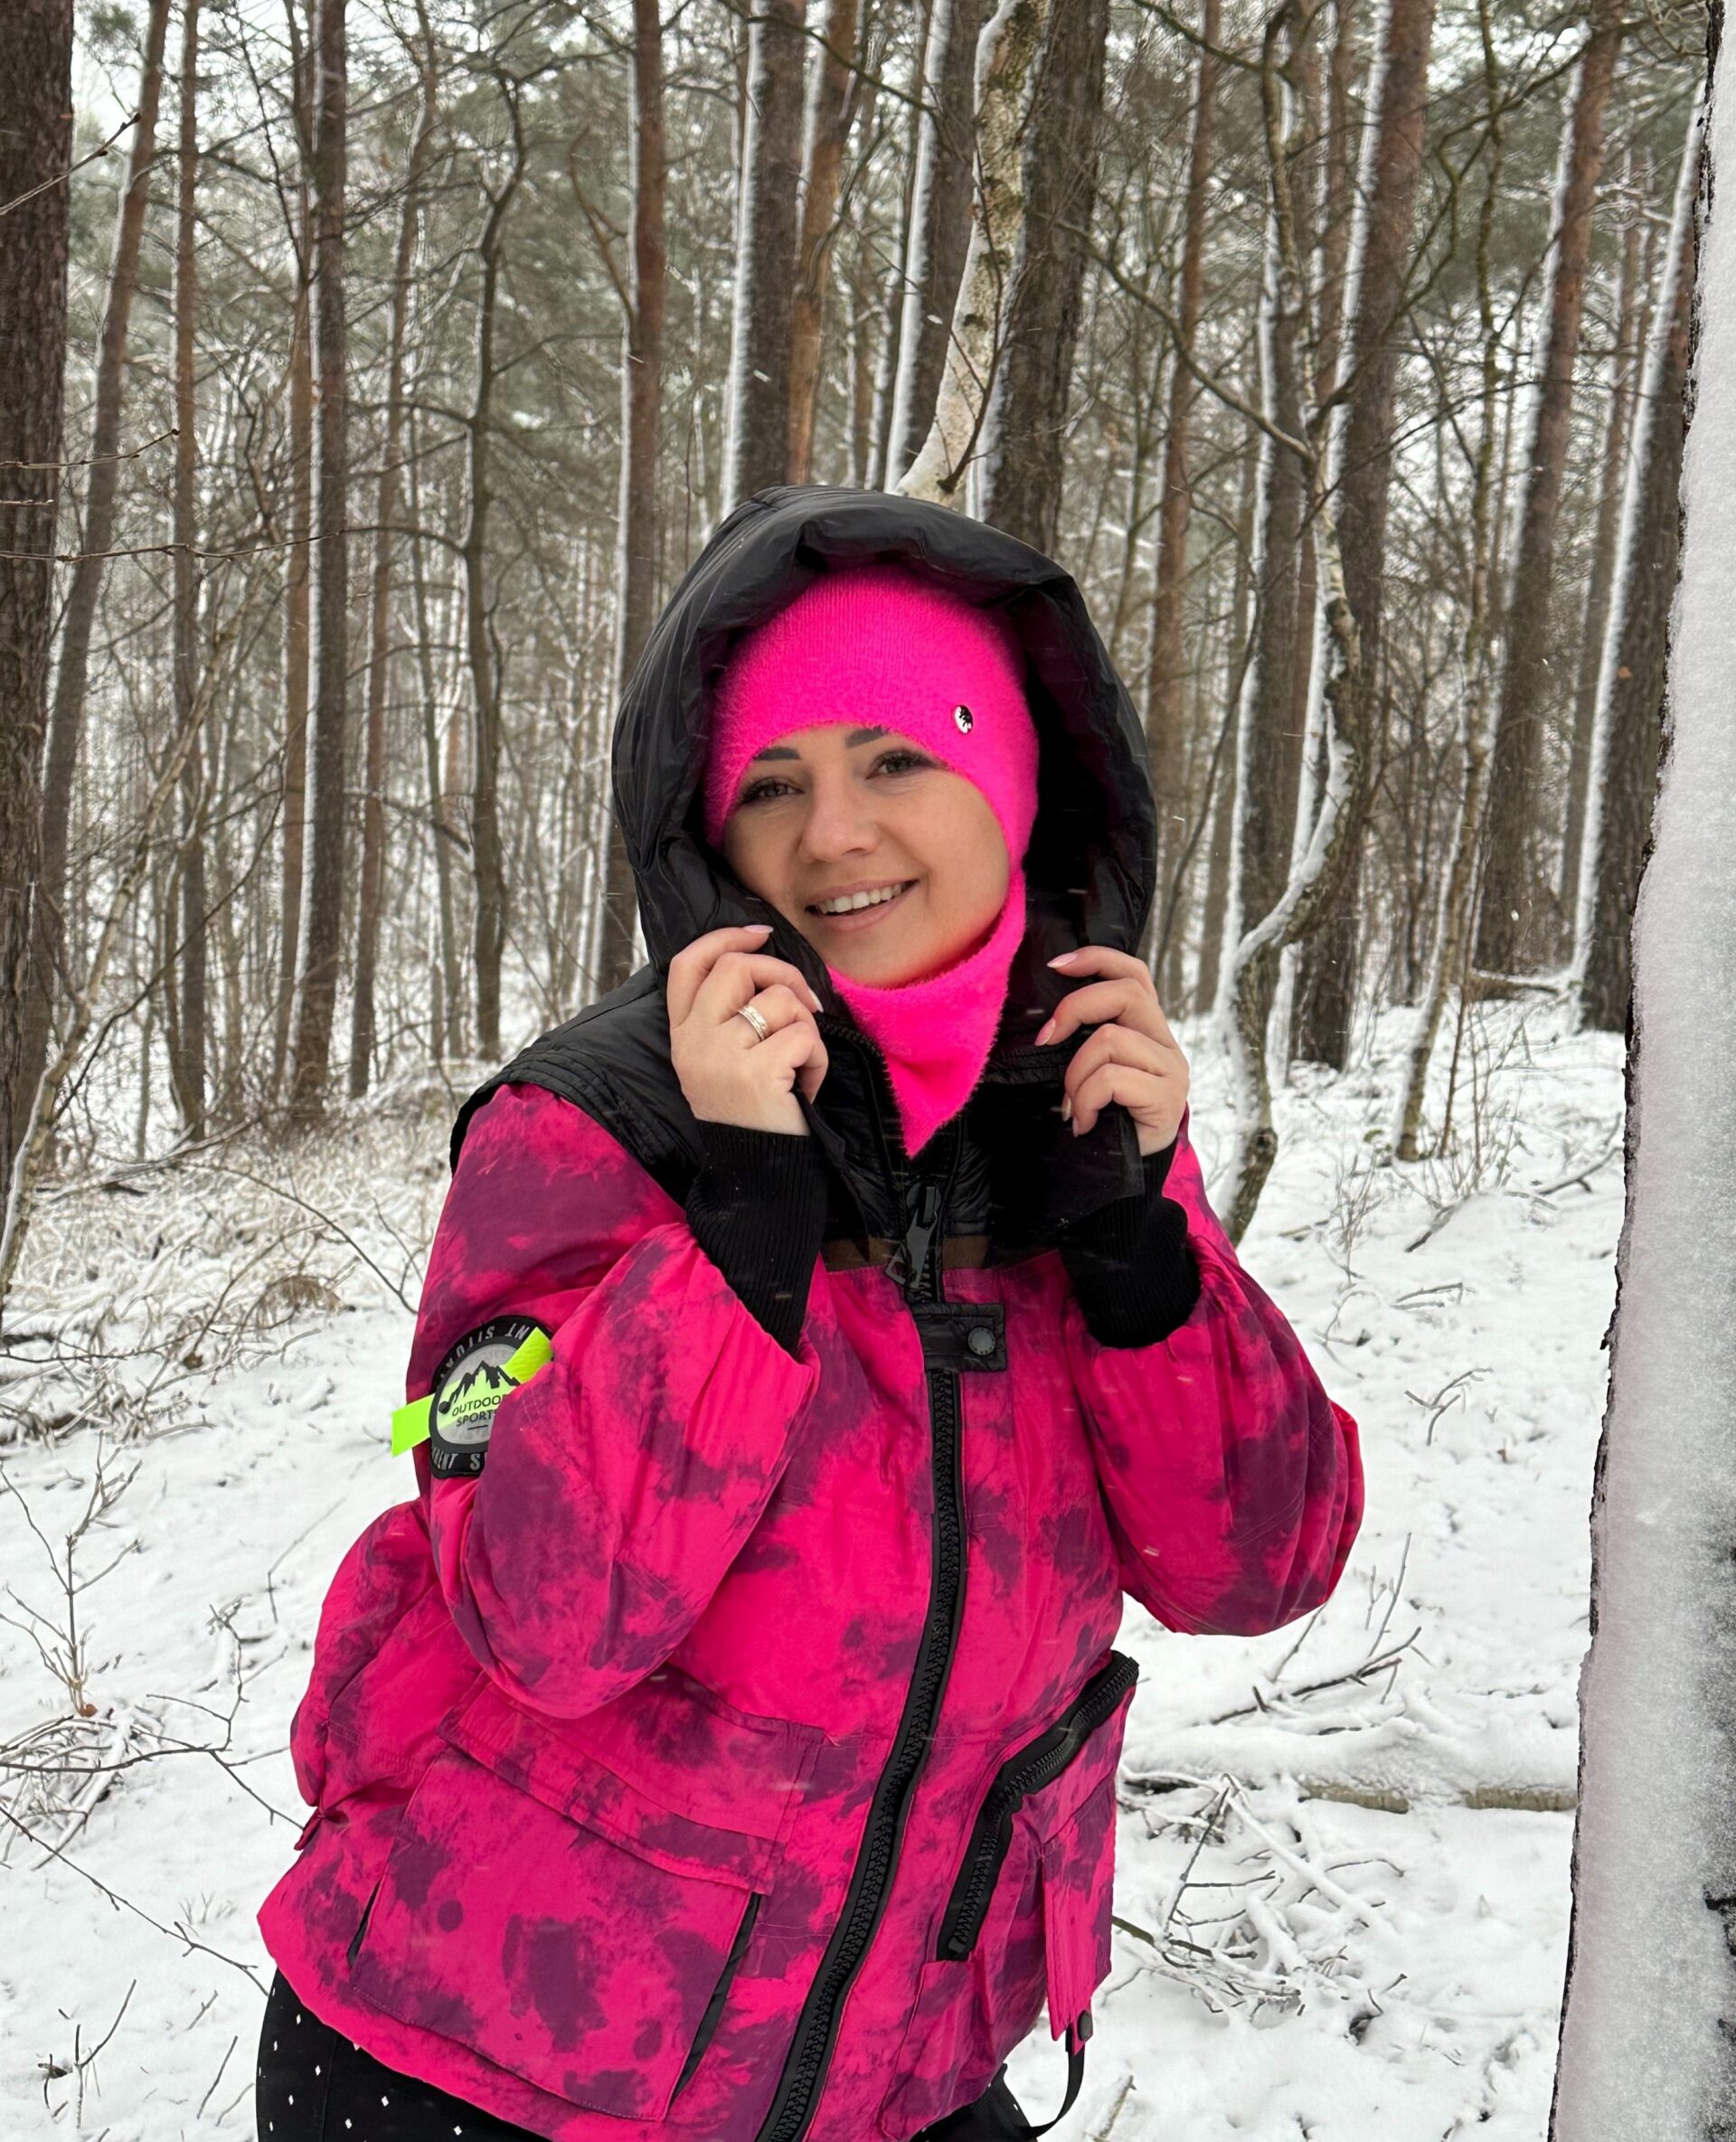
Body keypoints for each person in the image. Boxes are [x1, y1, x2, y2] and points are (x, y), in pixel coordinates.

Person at [256, 488, 1363, 2142]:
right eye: (772, 784)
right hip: (481, 2065)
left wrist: (1137, 1250)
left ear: (1015, 784)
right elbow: (546, 1623)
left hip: (894, 2074)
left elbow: (1257, 1569)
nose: (833, 833)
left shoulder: (1083, 1108)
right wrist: (745, 1227)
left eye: (895, 759)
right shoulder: (595, 1121)